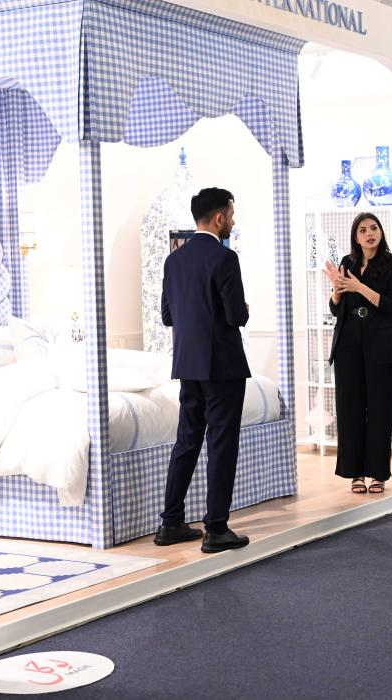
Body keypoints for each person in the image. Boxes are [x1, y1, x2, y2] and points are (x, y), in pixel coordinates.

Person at [155, 187, 251, 553]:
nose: (232, 222)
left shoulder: (174, 260)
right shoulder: (225, 258)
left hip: (188, 364)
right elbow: (235, 315)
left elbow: (167, 316)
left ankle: (171, 523)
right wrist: (244, 309)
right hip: (222, 365)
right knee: (221, 445)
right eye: (231, 215)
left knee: (187, 440)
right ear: (219, 217)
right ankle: (216, 529)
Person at [324, 213, 392, 494]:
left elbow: (391, 306)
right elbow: (336, 308)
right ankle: (355, 473)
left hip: (381, 343)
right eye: (362, 230)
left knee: (380, 408)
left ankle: (378, 473)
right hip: (348, 342)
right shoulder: (347, 263)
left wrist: (359, 286)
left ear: (380, 232)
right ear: (356, 237)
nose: (369, 233)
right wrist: (337, 290)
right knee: (350, 409)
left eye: (373, 228)